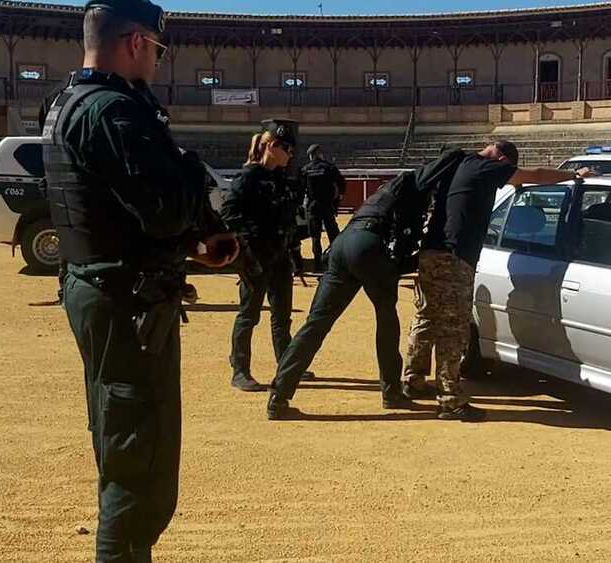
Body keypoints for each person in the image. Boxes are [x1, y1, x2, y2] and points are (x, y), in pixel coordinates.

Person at [42, 0, 238, 561]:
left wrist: (191, 243)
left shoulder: (64, 103)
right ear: (135, 43)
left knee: (124, 439)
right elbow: (165, 210)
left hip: (103, 289)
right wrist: (191, 184)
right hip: (125, 301)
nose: (156, 61)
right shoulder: (115, 111)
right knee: (138, 459)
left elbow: (118, 210)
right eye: (156, 49)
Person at [265, 148, 466, 420]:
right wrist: (461, 155)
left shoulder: (385, 193)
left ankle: (279, 396)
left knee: (316, 323)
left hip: (344, 245)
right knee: (387, 320)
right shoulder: (413, 182)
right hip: (369, 247)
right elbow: (437, 168)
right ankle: (391, 391)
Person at [402, 141, 591, 422]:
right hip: (455, 257)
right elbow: (535, 175)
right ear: (502, 158)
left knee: (427, 317)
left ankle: (413, 378)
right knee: (453, 329)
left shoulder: (458, 163)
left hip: (431, 252)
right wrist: (575, 175)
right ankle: (450, 400)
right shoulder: (489, 167)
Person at [221, 119, 310, 392]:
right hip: (255, 256)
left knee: (282, 316)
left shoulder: (282, 179)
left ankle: (285, 365)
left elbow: (288, 220)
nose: (290, 154)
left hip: (280, 255)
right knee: (249, 315)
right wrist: (248, 245)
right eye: (286, 148)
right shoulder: (248, 177)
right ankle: (240, 369)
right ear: (271, 146)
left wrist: (294, 253)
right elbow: (229, 214)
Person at [300, 144, 346, 271]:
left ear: (310, 156)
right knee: (333, 234)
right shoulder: (329, 167)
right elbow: (341, 184)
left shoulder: (305, 169)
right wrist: (336, 202)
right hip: (327, 205)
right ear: (320, 154)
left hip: (313, 206)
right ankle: (336, 262)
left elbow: (300, 188)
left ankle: (317, 264)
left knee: (315, 236)